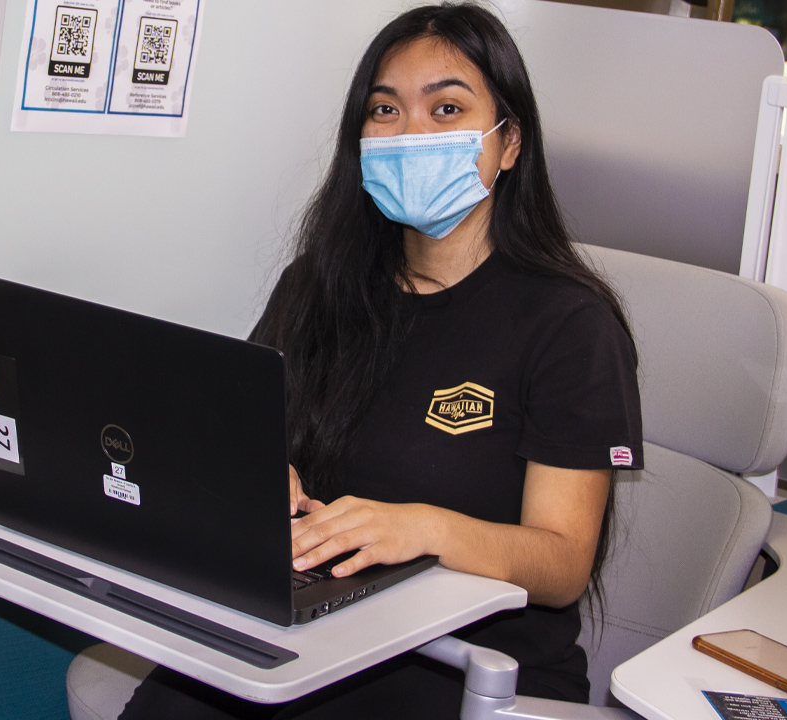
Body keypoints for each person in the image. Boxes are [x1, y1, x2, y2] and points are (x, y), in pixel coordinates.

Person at [119, 3, 642, 718]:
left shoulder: (571, 325)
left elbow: (561, 565)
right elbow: (237, 430)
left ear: (509, 142)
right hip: (308, 628)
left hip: (460, 668)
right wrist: (258, 478)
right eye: (385, 110)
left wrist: (422, 528)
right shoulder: (317, 284)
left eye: (447, 108)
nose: (411, 134)